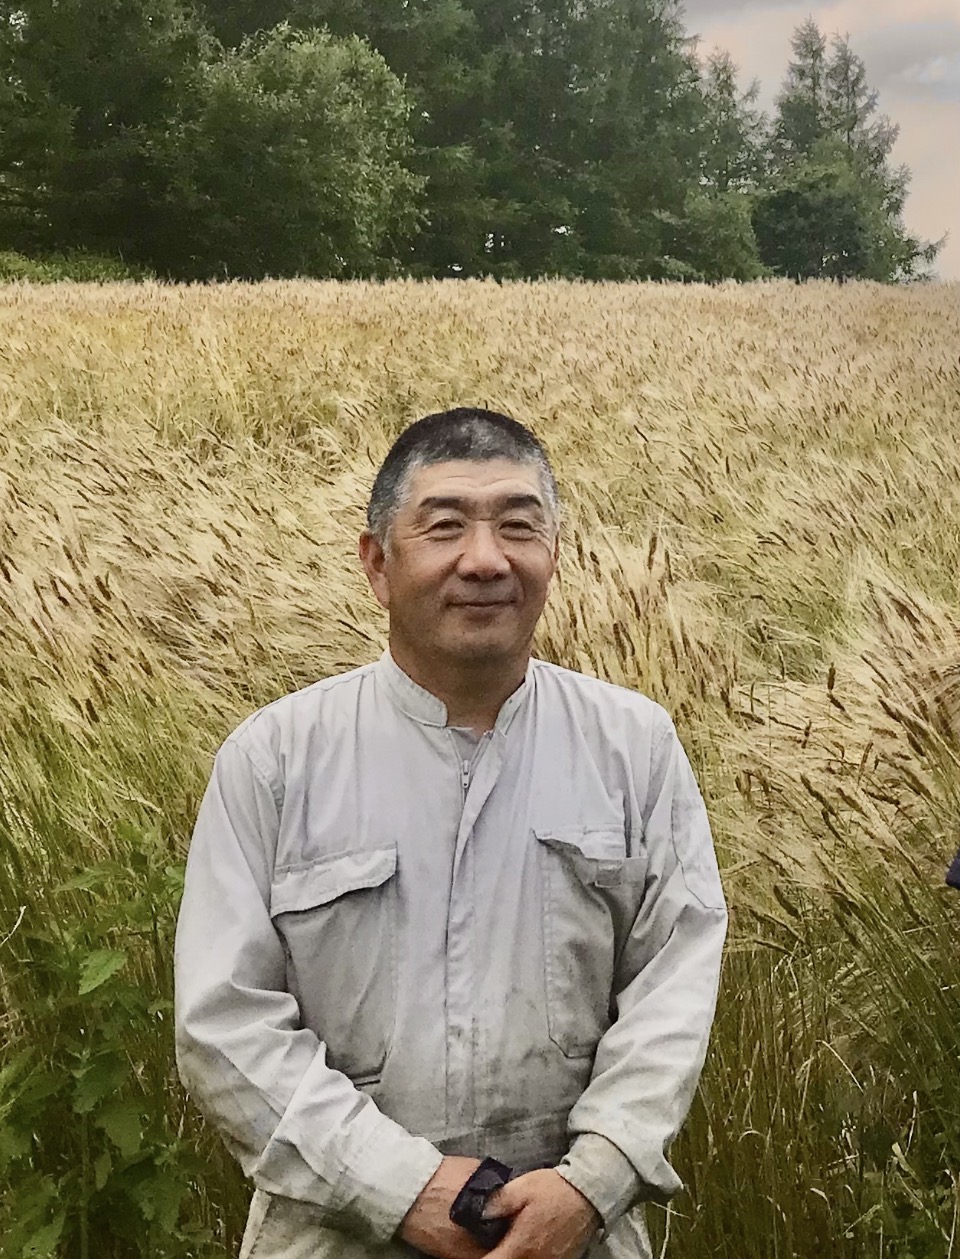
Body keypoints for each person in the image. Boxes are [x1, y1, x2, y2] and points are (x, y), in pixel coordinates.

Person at [174, 407, 728, 1259]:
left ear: (553, 555)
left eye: (518, 526)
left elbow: (675, 981)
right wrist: (400, 1189)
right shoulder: (276, 759)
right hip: (336, 1234)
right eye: (443, 527)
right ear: (377, 564)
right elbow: (224, 1023)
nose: (485, 559)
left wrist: (595, 1179)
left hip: (575, 1235)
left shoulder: (634, 747)